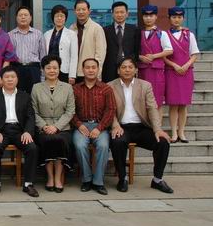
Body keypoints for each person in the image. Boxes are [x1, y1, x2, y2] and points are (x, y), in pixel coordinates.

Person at [109, 57, 173, 193]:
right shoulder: (110, 86)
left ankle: (157, 180)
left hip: (141, 127)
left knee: (162, 142)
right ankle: (122, 178)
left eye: (130, 67)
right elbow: (109, 109)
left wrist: (157, 129)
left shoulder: (145, 85)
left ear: (136, 70)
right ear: (118, 71)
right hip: (122, 127)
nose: (127, 70)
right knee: (117, 141)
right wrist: (115, 125)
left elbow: (152, 108)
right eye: (123, 67)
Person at [0, 65, 39, 198]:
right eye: (7, 77)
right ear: (1, 79)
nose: (10, 79)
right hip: (1, 130)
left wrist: (28, 131)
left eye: (13, 77)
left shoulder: (24, 96)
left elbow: (30, 116)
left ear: (17, 79)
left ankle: (28, 184)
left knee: (32, 148)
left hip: (19, 130)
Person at [71, 58, 116, 195]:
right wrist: (78, 124)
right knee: (80, 145)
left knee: (103, 146)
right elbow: (70, 110)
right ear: (82, 70)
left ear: (98, 69)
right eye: (87, 67)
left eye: (93, 67)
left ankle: (98, 182)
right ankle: (86, 179)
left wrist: (100, 127)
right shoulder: (75, 89)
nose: (90, 70)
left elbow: (111, 110)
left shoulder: (106, 89)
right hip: (81, 125)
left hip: (100, 125)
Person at [32, 55, 75, 193]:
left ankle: (58, 178)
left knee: (60, 140)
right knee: (48, 140)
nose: (52, 71)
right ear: (43, 70)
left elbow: (70, 111)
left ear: (59, 69)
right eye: (48, 68)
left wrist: (56, 127)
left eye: (55, 68)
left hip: (63, 127)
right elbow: (33, 111)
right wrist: (44, 126)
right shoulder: (36, 88)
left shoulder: (67, 87)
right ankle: (50, 177)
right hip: (43, 127)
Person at [164, 6, 200, 143]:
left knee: (184, 104)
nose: (177, 20)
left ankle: (181, 132)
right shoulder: (165, 35)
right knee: (173, 104)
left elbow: (194, 53)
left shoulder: (189, 35)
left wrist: (186, 65)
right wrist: (174, 65)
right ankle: (174, 132)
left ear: (183, 18)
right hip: (171, 72)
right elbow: (163, 56)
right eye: (174, 17)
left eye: (179, 17)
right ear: (169, 18)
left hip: (186, 72)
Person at [137, 5, 173, 123]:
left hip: (156, 71)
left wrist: (154, 56)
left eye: (151, 15)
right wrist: (140, 57)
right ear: (142, 17)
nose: (148, 18)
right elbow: (133, 50)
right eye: (146, 16)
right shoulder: (138, 33)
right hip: (142, 71)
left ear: (156, 17)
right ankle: (146, 127)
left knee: (157, 101)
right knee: (142, 101)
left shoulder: (161, 33)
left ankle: (158, 127)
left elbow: (169, 50)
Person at [8, 6, 46, 94]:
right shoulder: (10, 35)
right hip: (17, 69)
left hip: (34, 70)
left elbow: (43, 57)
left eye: (25, 15)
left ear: (31, 17)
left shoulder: (38, 34)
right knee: (18, 96)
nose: (23, 17)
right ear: (16, 18)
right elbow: (7, 58)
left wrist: (43, 76)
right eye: (20, 15)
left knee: (34, 96)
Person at [103, 1, 141, 83]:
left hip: (128, 67)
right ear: (112, 14)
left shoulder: (134, 29)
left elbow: (137, 49)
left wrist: (134, 65)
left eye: (122, 12)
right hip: (110, 68)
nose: (119, 15)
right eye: (116, 12)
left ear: (127, 14)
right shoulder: (105, 30)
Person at [70, 0, 106, 83]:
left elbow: (100, 54)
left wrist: (97, 73)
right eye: (78, 10)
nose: (81, 12)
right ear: (74, 11)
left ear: (89, 11)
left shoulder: (97, 28)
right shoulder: (71, 28)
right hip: (73, 74)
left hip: (90, 73)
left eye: (83, 9)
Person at [44, 4, 78, 84]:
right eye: (57, 16)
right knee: (50, 90)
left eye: (62, 16)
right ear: (53, 18)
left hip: (64, 70)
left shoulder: (72, 34)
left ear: (65, 18)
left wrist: (72, 75)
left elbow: (74, 56)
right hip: (49, 70)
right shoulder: (46, 34)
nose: (59, 18)